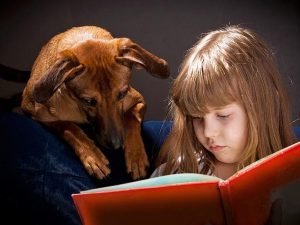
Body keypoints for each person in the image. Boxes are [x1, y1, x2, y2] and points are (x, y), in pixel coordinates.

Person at [151, 25, 296, 180]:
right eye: (197, 117)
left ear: (265, 108)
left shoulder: (293, 175)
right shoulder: (174, 173)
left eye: (223, 115)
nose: (208, 132)